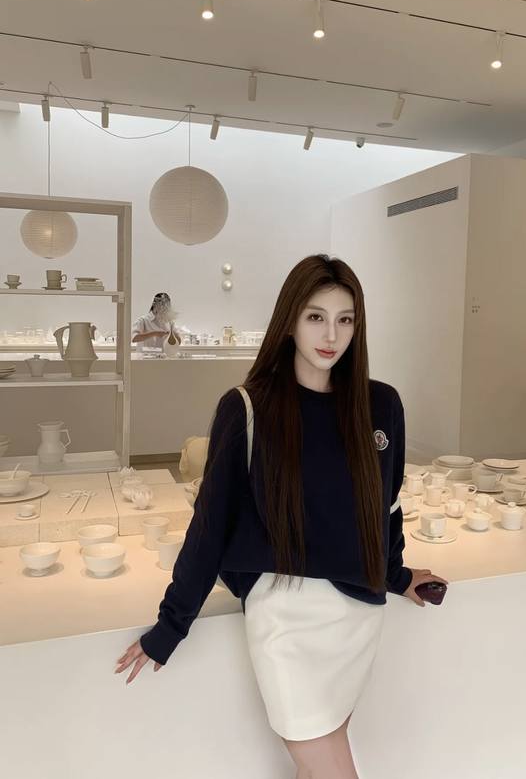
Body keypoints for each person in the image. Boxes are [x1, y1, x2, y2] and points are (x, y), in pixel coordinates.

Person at [115, 254, 448, 778]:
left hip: (357, 615)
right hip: (285, 618)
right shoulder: (248, 407)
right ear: (289, 320)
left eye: (345, 319)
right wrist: (171, 625)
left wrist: (398, 575)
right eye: (316, 317)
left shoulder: (381, 405)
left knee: (314, 768)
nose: (331, 335)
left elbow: (386, 506)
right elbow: (210, 525)